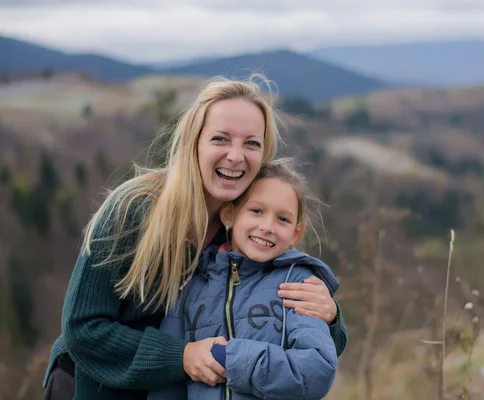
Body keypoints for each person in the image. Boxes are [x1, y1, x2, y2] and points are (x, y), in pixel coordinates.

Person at [42, 76, 348, 400]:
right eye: (220, 139)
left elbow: (298, 338)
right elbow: (82, 329)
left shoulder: (251, 230)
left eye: (251, 143)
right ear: (195, 142)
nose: (235, 156)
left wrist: (328, 316)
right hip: (91, 387)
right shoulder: (133, 209)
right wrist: (182, 356)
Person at [148, 158, 338, 400]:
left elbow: (317, 370)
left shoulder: (299, 284)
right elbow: (168, 380)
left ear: (295, 233)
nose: (267, 226)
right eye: (256, 211)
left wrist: (232, 358)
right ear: (229, 215)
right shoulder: (191, 285)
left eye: (283, 219)